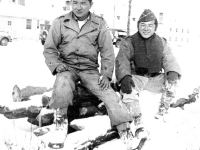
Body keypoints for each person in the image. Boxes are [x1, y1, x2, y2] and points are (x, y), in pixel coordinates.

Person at [43, 0, 136, 149]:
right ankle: (60, 123)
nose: (78, 7)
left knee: (108, 92)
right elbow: (49, 49)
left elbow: (107, 52)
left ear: (90, 5)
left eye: (83, 3)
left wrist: (106, 75)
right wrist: (56, 65)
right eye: (75, 2)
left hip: (90, 69)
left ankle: (124, 128)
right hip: (68, 67)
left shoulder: (99, 24)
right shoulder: (60, 22)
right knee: (62, 82)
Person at [115, 9, 182, 131]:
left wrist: (172, 72)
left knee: (173, 80)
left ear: (155, 26)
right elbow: (122, 60)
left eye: (150, 25)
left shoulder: (162, 42)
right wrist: (124, 76)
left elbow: (169, 59)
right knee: (128, 90)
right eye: (143, 25)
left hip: (155, 78)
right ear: (138, 26)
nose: (146, 28)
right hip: (137, 78)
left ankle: (163, 109)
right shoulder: (129, 41)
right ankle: (137, 119)